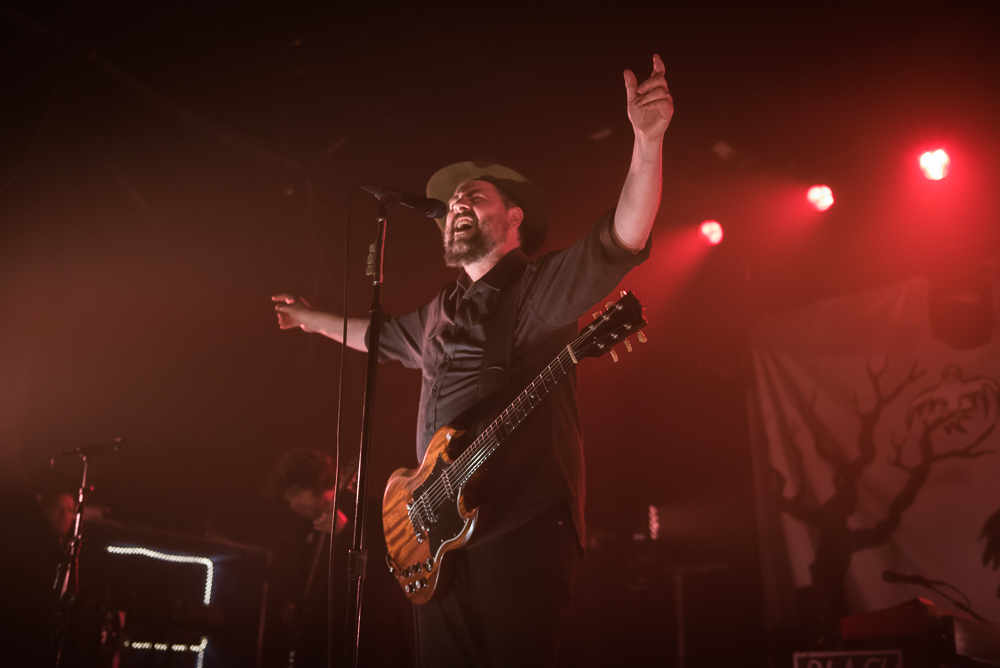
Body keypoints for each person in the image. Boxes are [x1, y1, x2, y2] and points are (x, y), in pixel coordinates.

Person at [273, 54, 672, 667]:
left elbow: (620, 239)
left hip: (521, 526)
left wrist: (646, 143)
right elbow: (375, 337)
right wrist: (309, 319)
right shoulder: (439, 311)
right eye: (452, 201)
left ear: (512, 218)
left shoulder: (536, 290)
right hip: (433, 534)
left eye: (473, 197)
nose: (456, 204)